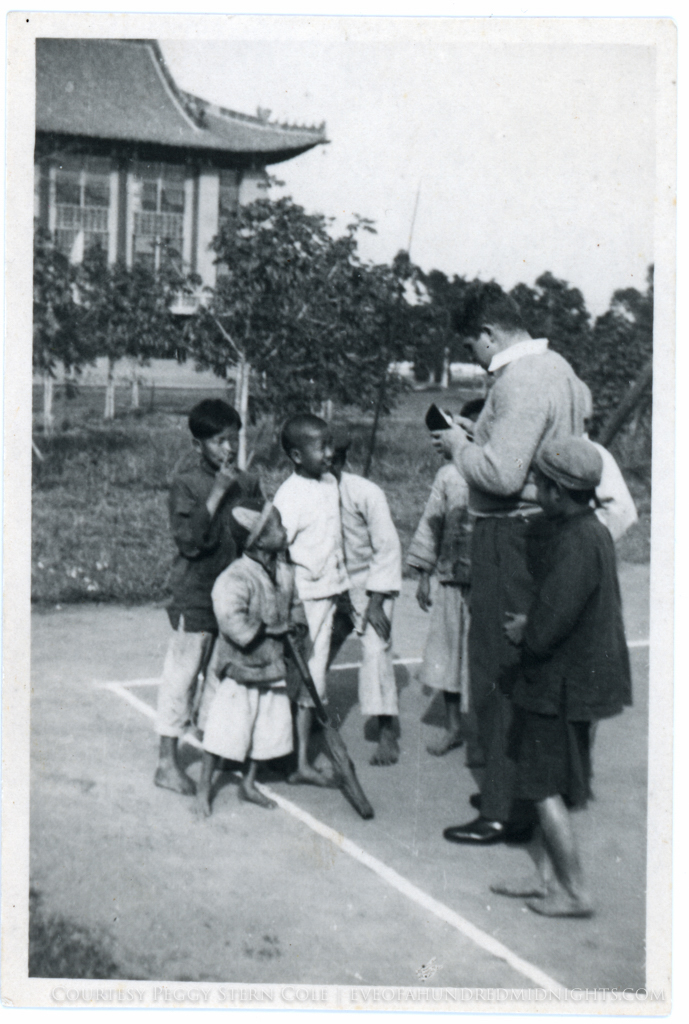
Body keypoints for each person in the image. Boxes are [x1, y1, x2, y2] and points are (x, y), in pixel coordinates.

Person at [442, 283, 592, 845]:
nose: (474, 357)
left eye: (472, 345)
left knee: (497, 669)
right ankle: (526, 790)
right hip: (544, 529)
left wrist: (457, 447)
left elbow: (502, 476)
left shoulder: (520, 380)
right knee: (529, 664)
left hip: (509, 534)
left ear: (489, 334)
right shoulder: (560, 368)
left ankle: (504, 807)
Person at [494, 437, 632, 917]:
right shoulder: (591, 531)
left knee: (542, 784)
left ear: (555, 491)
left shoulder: (576, 542)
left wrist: (524, 630)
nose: (534, 490)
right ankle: (548, 880)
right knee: (550, 779)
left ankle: (574, 892)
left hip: (561, 684)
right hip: (577, 678)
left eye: (539, 484)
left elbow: (551, 622)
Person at [154, 399, 263, 796]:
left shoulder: (248, 482)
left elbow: (258, 535)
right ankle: (166, 762)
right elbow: (190, 542)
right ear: (198, 444)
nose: (228, 449)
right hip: (196, 594)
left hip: (231, 598)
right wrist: (217, 492)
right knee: (181, 679)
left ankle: (214, 749)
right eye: (218, 441)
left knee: (220, 678)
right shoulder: (186, 483)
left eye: (233, 439)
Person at [195, 503, 307, 816]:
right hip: (241, 668)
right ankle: (204, 789)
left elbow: (296, 605)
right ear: (258, 541)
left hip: (273, 667)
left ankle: (249, 782)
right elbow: (230, 618)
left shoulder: (285, 572)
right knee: (224, 731)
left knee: (268, 731)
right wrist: (272, 629)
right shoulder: (236, 576)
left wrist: (297, 624)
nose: (285, 532)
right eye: (278, 528)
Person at [272, 414, 349, 786]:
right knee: (300, 680)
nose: (331, 453)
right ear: (297, 456)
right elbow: (276, 552)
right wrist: (290, 604)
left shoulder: (331, 483)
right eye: (322, 447)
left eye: (331, 445)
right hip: (303, 601)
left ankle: (297, 758)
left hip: (328, 594)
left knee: (314, 680)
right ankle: (291, 759)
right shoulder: (288, 496)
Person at [407, 399, 484, 757]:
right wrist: (423, 574)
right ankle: (454, 727)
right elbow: (431, 523)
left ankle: (487, 735)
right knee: (448, 655)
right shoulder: (447, 476)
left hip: (488, 583)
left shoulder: (501, 469)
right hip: (452, 579)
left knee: (485, 659)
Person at [328, 427, 403, 766]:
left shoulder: (366, 492)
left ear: (342, 461)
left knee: (375, 650)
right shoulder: (304, 492)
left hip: (370, 583)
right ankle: (309, 717)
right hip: (330, 585)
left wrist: (374, 603)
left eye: (333, 462)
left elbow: (387, 548)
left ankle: (387, 732)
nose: (326, 469)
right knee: (314, 652)